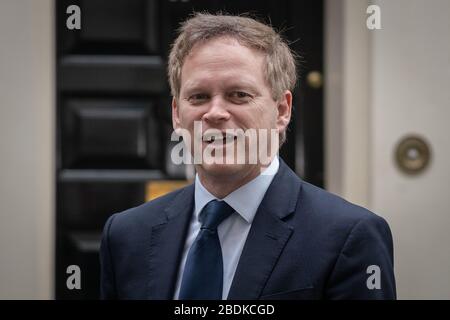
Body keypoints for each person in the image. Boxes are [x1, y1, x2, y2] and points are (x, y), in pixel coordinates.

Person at [100, 13, 396, 300]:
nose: (215, 112)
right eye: (199, 96)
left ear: (282, 110)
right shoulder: (126, 235)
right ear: (177, 114)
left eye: (239, 94)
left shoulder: (349, 236)